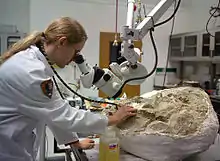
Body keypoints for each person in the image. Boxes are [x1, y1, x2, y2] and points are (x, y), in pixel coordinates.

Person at [0, 17, 136, 161]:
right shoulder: (31, 72)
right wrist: (113, 118)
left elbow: (52, 111)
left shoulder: (33, 62)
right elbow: (63, 115)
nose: (75, 58)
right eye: (76, 51)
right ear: (62, 42)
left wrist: (73, 141)